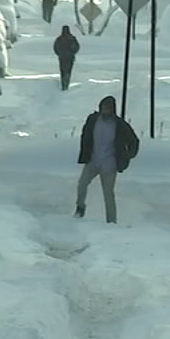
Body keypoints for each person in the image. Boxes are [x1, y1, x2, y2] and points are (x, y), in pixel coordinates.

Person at [76, 96, 139, 224]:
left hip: (109, 164)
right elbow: (85, 135)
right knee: (82, 184)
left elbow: (134, 141)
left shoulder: (119, 125)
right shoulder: (93, 120)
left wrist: (127, 156)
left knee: (108, 194)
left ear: (112, 109)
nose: (105, 110)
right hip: (93, 160)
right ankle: (80, 208)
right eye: (103, 107)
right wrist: (85, 152)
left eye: (107, 108)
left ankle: (111, 221)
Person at [53, 26, 80, 90]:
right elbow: (77, 47)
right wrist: (73, 53)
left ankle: (63, 83)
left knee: (62, 70)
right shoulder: (72, 38)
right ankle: (67, 82)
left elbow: (55, 48)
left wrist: (59, 54)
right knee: (69, 70)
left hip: (62, 57)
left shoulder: (59, 39)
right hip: (70, 57)